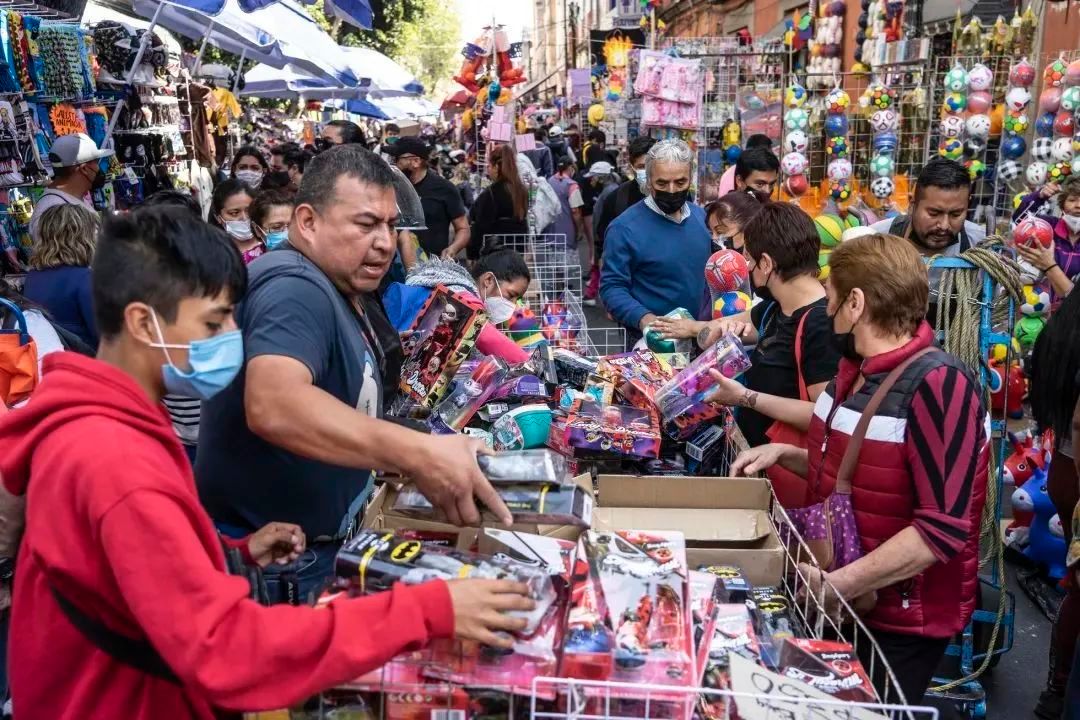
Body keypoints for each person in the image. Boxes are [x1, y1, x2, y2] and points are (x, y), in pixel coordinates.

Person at [0, 205, 533, 719]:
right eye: (213, 323)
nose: (232, 336)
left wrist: (227, 554)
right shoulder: (114, 461)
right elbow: (228, 651)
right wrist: (427, 609)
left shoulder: (97, 423)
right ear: (143, 322)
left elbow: (118, 571)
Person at [197, 145, 513, 603]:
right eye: (366, 224)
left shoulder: (339, 285)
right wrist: (417, 451)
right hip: (281, 566)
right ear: (307, 222)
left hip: (312, 554)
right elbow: (274, 404)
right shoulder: (294, 286)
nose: (385, 241)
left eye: (389, 225)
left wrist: (409, 447)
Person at [732, 233, 989, 705]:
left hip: (900, 619)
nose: (824, 311)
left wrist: (838, 585)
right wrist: (785, 455)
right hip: (851, 604)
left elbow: (942, 528)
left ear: (855, 302)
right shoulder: (855, 373)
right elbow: (866, 472)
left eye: (829, 298)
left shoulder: (939, 385)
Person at [665, 203, 840, 506]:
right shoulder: (775, 307)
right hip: (760, 466)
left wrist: (745, 397)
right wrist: (714, 333)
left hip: (792, 482)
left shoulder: (820, 325)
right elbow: (713, 331)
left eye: (749, 258)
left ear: (768, 264)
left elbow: (825, 416)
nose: (746, 266)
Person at [600, 139, 711, 344]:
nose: (671, 190)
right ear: (648, 181)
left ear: (690, 180)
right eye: (662, 183)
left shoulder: (702, 219)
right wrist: (645, 320)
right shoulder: (623, 229)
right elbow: (612, 287)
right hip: (652, 343)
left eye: (680, 182)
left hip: (700, 338)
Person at [1030, 288, 1080, 718]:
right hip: (1074, 469)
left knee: (1076, 584)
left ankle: (1057, 688)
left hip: (1065, 468)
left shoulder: (1059, 332)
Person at [382, 247, 531, 363]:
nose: (511, 305)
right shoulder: (460, 294)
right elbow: (483, 335)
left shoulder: (444, 284)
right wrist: (530, 365)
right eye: (510, 295)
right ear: (488, 280)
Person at [870, 157, 985, 262]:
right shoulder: (875, 240)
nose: (944, 225)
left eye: (955, 214)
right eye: (934, 213)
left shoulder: (981, 244)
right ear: (912, 204)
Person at [22, 204, 101, 349]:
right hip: (81, 363)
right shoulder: (85, 279)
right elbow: (105, 338)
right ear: (83, 236)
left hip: (48, 363)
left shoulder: (32, 278)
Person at [589, 136, 656, 303]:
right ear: (632, 167)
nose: (647, 172)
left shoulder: (675, 196)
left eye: (651, 166)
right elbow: (603, 243)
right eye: (641, 166)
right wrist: (610, 296)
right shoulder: (617, 198)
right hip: (630, 286)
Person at [390, 137, 470, 259]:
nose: (393, 164)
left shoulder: (445, 189)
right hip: (394, 264)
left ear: (416, 161)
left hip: (431, 267)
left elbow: (463, 228)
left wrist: (452, 249)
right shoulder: (390, 187)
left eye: (396, 159)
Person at [30, 132, 111, 242]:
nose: (99, 168)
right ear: (84, 169)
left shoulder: (70, 197)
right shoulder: (55, 212)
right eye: (96, 162)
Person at [1014, 176, 1080, 301]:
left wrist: (1048, 264)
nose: (1078, 206)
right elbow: (1020, 220)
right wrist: (1040, 196)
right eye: (1072, 200)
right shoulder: (1049, 227)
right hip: (1038, 312)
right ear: (1062, 205)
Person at [467, 145, 529, 260]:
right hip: (516, 254)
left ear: (496, 167)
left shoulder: (490, 194)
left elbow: (480, 227)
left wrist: (472, 254)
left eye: (489, 166)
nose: (488, 170)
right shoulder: (522, 191)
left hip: (494, 256)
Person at [208, 179, 262, 264]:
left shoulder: (270, 246)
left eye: (249, 210)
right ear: (218, 218)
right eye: (234, 213)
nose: (244, 217)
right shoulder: (211, 253)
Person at [543, 157, 586, 252]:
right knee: (567, 263)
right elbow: (575, 211)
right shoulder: (572, 185)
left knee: (551, 263)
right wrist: (580, 230)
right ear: (570, 167)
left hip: (550, 232)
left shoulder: (549, 181)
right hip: (567, 232)